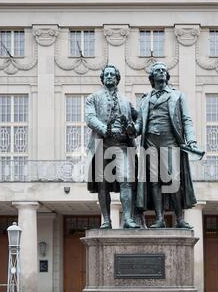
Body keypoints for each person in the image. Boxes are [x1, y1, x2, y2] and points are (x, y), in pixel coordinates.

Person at [135, 62, 202, 229]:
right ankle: (159, 219)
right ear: (152, 77)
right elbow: (139, 125)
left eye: (164, 70)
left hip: (170, 140)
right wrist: (131, 129)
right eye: (158, 70)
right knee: (154, 181)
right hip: (150, 142)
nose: (162, 72)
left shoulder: (177, 95)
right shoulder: (145, 98)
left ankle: (179, 218)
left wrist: (191, 140)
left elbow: (186, 120)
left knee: (173, 179)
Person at [85, 65, 139, 229]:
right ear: (102, 78)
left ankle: (128, 219)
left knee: (126, 181)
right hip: (103, 143)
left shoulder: (126, 100)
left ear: (117, 78)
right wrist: (104, 129)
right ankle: (106, 220)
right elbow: (90, 118)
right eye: (106, 74)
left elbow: (138, 120)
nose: (109, 76)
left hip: (122, 145)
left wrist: (132, 128)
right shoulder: (93, 98)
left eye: (112, 74)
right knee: (102, 184)